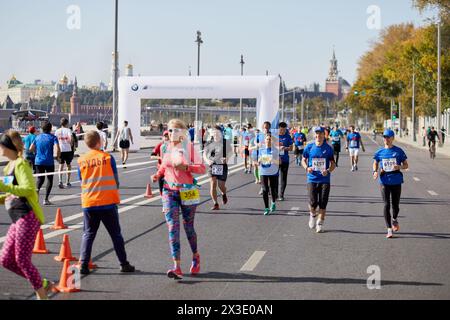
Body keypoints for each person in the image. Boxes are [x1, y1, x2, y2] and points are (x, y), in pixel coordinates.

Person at [0, 130, 54, 299]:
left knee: (22, 260)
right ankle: (43, 283)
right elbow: (10, 195)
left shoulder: (21, 164)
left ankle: (42, 295)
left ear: (8, 146)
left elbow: (28, 189)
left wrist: (4, 186)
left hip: (27, 217)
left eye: (1, 144)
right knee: (5, 260)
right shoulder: (9, 167)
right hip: (17, 220)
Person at [151, 119, 206, 280]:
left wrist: (187, 167)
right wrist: (157, 175)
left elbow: (202, 168)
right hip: (169, 191)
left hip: (187, 191)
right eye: (169, 130)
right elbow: (163, 165)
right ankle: (177, 266)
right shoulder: (167, 147)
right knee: (172, 227)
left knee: (188, 227)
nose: (171, 133)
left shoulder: (189, 148)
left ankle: (195, 256)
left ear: (182, 132)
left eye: (175, 130)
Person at [77, 131, 135, 275]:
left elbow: (81, 180)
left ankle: (83, 264)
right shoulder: (108, 158)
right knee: (116, 235)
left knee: (88, 234)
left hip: (89, 203)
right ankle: (123, 263)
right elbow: (115, 180)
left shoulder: (81, 160)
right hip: (107, 202)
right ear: (99, 142)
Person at [373, 129, 409, 239]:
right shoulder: (379, 152)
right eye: (384, 137)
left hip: (396, 181)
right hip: (384, 181)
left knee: (395, 205)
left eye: (388, 137)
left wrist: (400, 167)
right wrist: (375, 171)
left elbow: (406, 165)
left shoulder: (399, 151)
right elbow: (375, 162)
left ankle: (394, 219)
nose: (386, 139)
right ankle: (389, 229)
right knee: (386, 204)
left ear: (393, 138)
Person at [302, 127, 336, 233]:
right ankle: (312, 214)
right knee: (313, 203)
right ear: (314, 135)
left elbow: (333, 164)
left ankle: (320, 223)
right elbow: (303, 160)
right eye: (317, 134)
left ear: (323, 135)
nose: (318, 136)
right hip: (312, 178)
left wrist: (328, 170)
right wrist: (307, 168)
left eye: (321, 134)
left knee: (323, 203)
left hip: (324, 179)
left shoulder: (328, 148)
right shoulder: (309, 147)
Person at [30, 121, 61, 206]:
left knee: (40, 179)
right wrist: (57, 157)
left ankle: (37, 190)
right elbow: (57, 149)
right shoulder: (53, 137)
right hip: (49, 161)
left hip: (38, 161)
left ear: (42, 128)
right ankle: (46, 199)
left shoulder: (37, 137)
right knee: (50, 179)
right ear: (51, 129)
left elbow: (30, 148)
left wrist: (36, 153)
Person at [204, 125, 232, 211]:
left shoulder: (225, 142)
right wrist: (207, 161)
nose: (215, 134)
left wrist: (226, 158)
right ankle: (215, 203)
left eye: (217, 132)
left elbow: (231, 152)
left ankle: (223, 193)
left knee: (221, 186)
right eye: (214, 132)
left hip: (222, 166)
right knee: (213, 184)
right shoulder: (208, 143)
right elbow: (204, 154)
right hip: (212, 165)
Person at [258, 132, 279, 215]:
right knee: (265, 190)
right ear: (264, 140)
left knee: (273, 189)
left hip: (273, 172)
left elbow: (279, 162)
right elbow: (258, 160)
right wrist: (259, 161)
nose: (268, 141)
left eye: (270, 139)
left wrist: (272, 160)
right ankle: (266, 208)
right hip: (263, 171)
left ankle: (273, 202)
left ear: (272, 141)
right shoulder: (261, 150)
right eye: (267, 139)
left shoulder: (275, 150)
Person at [55, 118, 74, 188]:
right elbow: (71, 138)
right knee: (68, 165)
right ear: (66, 123)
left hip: (60, 150)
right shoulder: (68, 130)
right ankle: (68, 182)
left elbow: (55, 140)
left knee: (61, 165)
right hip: (68, 150)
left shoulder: (57, 131)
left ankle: (60, 181)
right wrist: (71, 144)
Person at [278, 122, 293, 201]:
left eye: (284, 130)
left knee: (283, 178)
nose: (282, 131)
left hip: (285, 160)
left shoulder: (288, 137)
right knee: (274, 178)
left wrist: (284, 148)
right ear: (279, 128)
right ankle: (274, 192)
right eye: (281, 130)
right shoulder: (274, 136)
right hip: (275, 160)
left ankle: (281, 194)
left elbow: (291, 148)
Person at [151, 131, 170, 196]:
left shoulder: (173, 144)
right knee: (161, 187)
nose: (166, 138)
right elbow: (152, 156)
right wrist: (160, 158)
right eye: (165, 136)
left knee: (171, 187)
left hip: (170, 169)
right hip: (161, 168)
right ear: (163, 137)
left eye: (168, 136)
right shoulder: (160, 145)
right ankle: (164, 200)